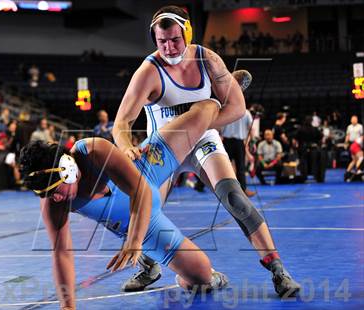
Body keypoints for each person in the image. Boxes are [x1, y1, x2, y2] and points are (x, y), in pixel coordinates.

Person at [112, 5, 300, 297]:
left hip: (202, 140)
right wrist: (125, 145)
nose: (169, 47)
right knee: (144, 209)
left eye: (174, 39)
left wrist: (198, 124)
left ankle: (277, 268)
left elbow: (237, 108)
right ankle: (149, 265)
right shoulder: (149, 71)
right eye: (161, 41)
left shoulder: (207, 59)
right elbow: (121, 122)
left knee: (235, 197)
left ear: (187, 33)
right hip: (164, 144)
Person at [19, 99, 228, 309]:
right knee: (202, 276)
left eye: (55, 191)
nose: (55, 198)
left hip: (146, 170)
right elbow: (62, 253)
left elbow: (141, 191)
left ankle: (220, 92)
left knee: (205, 110)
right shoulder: (53, 203)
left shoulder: (92, 151)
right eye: (47, 195)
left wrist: (134, 243)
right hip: (141, 224)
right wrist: (67, 306)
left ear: (68, 170)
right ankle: (169, 269)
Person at [222, 110, 256, 197]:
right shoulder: (245, 112)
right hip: (236, 142)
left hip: (229, 141)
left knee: (226, 167)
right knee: (238, 167)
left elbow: (220, 126)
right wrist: (253, 141)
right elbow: (251, 128)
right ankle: (242, 190)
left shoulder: (227, 110)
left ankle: (227, 189)